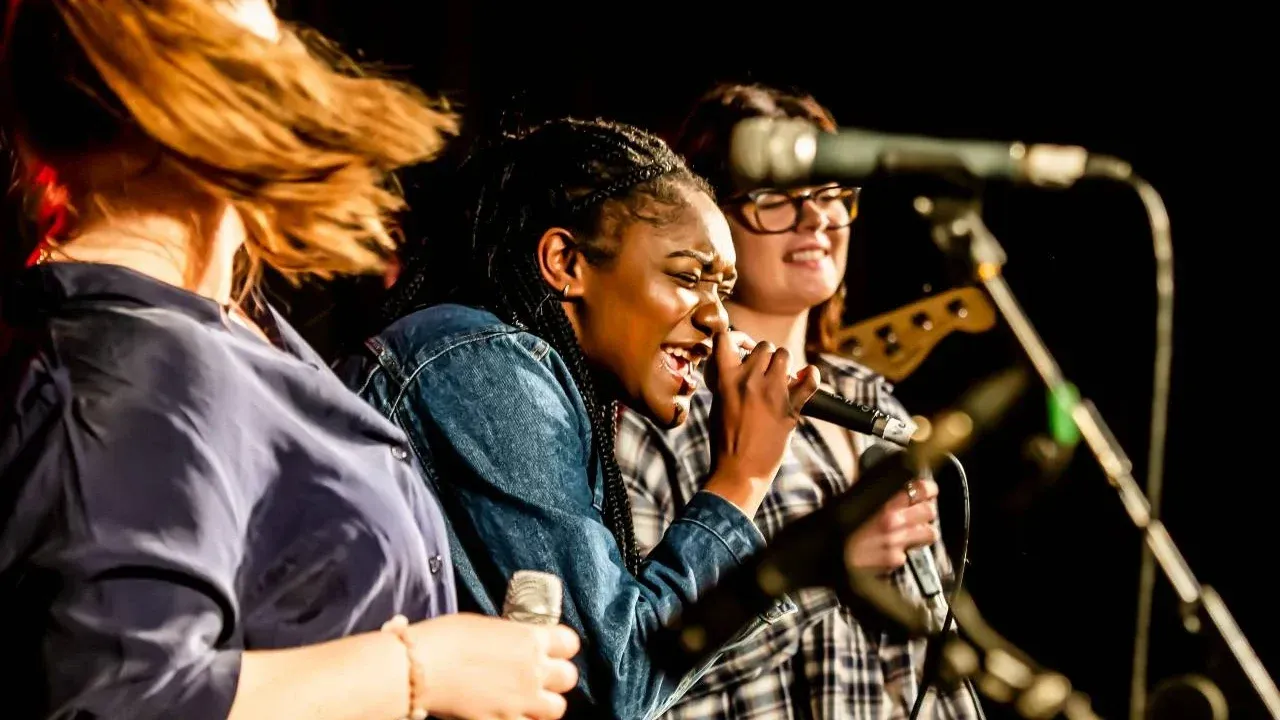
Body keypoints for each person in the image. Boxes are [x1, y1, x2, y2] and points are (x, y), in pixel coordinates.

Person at [0, 2, 578, 719]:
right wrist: (419, 672)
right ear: (175, 76)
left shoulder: (216, 325)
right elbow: (119, 696)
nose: (285, 41)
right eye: (253, 15)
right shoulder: (122, 370)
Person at [342, 117, 821, 719]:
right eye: (687, 276)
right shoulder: (484, 366)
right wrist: (740, 480)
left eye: (723, 289)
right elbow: (618, 674)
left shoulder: (541, 381)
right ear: (566, 261)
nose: (718, 320)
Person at [616, 83, 982, 719]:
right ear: (707, 219)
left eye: (830, 194)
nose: (814, 218)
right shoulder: (659, 414)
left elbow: (931, 657)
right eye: (776, 198)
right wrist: (822, 570)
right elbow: (638, 679)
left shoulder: (870, 395)